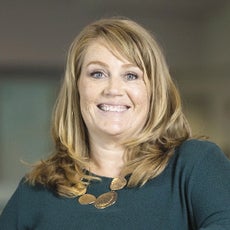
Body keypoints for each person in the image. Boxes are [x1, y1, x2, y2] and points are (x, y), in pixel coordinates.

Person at [0, 17, 229, 230]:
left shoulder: (196, 165)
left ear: (154, 91)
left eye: (131, 75)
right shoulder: (35, 190)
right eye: (98, 73)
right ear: (77, 88)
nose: (113, 90)